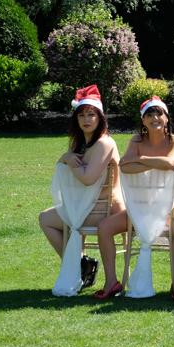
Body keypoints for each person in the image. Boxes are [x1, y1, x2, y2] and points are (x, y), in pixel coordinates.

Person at [92, 97, 174, 302]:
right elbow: (125, 167)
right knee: (104, 226)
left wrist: (140, 159)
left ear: (166, 118)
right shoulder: (137, 141)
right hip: (142, 207)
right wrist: (158, 163)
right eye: (150, 114)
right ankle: (112, 282)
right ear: (143, 120)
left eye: (159, 114)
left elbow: (171, 161)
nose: (155, 118)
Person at [39, 85, 124, 292]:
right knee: (45, 218)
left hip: (107, 209)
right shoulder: (80, 144)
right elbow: (65, 168)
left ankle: (79, 266)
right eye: (81, 115)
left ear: (100, 117)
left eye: (91, 115)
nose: (86, 120)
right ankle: (80, 263)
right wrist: (66, 157)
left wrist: (68, 161)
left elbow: (87, 179)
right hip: (87, 206)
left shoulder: (105, 143)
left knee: (47, 219)